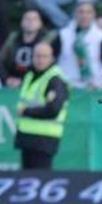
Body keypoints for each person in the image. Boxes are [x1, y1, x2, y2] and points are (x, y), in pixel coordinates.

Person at [14, 41, 69, 170]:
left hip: (44, 139)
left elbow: (53, 110)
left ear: (52, 58)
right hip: (27, 137)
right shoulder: (30, 76)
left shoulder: (56, 80)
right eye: (37, 56)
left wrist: (26, 111)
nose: (40, 60)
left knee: (40, 178)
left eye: (44, 56)